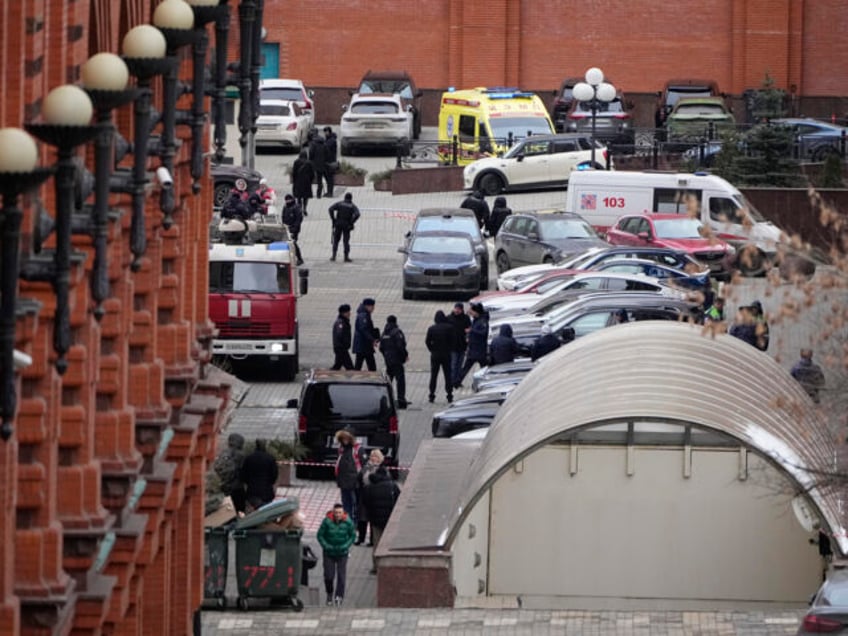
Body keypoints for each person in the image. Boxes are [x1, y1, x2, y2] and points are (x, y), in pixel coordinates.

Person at [360, 464, 401, 575]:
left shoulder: (370, 487)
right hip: (389, 520)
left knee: (377, 543)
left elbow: (365, 502)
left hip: (375, 521)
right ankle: (389, 565)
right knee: (389, 544)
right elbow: (399, 501)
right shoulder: (393, 486)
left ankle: (376, 567)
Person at [316, 503, 356, 607]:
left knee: (341, 576)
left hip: (342, 553)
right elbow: (320, 535)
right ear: (333, 512)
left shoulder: (348, 522)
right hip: (329, 553)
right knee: (329, 576)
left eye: (340, 513)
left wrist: (346, 546)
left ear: (343, 513)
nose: (338, 515)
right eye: (336, 512)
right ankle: (329, 593)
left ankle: (339, 596)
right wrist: (326, 546)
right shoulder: (327, 521)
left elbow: (353, 536)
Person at [425, 310, 456, 403]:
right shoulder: (450, 328)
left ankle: (431, 394)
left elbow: (427, 341)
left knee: (434, 375)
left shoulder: (432, 328)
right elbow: (453, 341)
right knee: (448, 375)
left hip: (435, 354)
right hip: (446, 354)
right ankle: (449, 394)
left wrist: (432, 349)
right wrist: (450, 349)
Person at [456, 302, 489, 387]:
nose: (471, 313)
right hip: (474, 348)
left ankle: (486, 381)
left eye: (472, 312)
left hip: (479, 349)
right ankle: (457, 381)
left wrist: (472, 331)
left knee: (482, 367)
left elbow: (483, 333)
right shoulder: (477, 319)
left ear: (476, 312)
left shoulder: (482, 321)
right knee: (468, 367)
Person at [379, 315, 409, 408]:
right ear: (395, 322)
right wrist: (404, 356)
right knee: (400, 380)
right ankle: (401, 400)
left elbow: (381, 348)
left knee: (388, 380)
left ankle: (384, 399)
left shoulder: (384, 333)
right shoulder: (397, 332)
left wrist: (386, 357)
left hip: (388, 361)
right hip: (397, 360)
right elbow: (400, 346)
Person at [334, 428, 363, 524]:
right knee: (346, 504)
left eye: (347, 438)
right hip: (343, 482)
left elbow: (363, 465)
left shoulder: (357, 449)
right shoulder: (341, 449)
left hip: (355, 483)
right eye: (343, 438)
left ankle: (353, 523)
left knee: (355, 504)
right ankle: (347, 522)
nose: (345, 440)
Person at [212, 432, 247, 513]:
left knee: (226, 511)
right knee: (240, 511)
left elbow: (216, 467)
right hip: (237, 487)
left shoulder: (223, 453)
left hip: (224, 487)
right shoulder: (241, 455)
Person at [356, 449, 384, 547]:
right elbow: (359, 477)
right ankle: (361, 538)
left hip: (374, 496)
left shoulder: (381, 469)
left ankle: (373, 540)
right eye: (372, 456)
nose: (373, 458)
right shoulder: (366, 467)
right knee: (362, 518)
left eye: (375, 456)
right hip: (364, 494)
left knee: (373, 519)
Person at [240, 438, 278, 509]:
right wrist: (270, 483)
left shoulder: (249, 458)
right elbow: (274, 475)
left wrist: (249, 483)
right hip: (267, 492)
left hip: (252, 491)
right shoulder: (270, 458)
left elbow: (243, 475)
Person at [328, 193, 360, 262]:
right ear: (351, 199)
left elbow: (330, 209)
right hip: (347, 225)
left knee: (336, 240)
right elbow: (357, 214)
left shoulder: (339, 203)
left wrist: (333, 219)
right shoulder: (352, 206)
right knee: (346, 241)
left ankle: (333, 256)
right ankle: (346, 257)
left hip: (338, 223)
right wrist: (352, 222)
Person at [446, 302, 471, 388]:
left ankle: (457, 381)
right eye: (455, 308)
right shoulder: (449, 318)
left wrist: (468, 333)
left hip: (462, 345)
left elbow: (469, 329)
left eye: (458, 309)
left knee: (459, 365)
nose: (456, 310)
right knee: (453, 365)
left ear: (461, 310)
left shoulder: (466, 318)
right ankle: (452, 381)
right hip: (452, 346)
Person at [352, 297, 378, 371]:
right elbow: (364, 329)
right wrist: (372, 339)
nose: (373, 309)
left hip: (364, 346)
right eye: (372, 307)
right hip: (363, 346)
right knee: (370, 366)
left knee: (360, 365)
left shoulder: (364, 314)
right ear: (367, 306)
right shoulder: (363, 315)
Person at [281, 194, 304, 266]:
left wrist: (294, 229)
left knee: (293, 244)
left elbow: (299, 219)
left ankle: (299, 258)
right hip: (287, 228)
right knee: (288, 243)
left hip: (294, 229)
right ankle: (290, 257)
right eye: (286, 200)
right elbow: (283, 216)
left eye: (289, 199)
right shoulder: (285, 207)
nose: (288, 201)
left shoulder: (296, 207)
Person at [291, 149, 314, 216]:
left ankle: (299, 209)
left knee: (299, 197)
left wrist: (294, 180)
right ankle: (305, 208)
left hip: (298, 182)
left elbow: (294, 172)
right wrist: (310, 180)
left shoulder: (296, 162)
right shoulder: (309, 163)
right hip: (307, 182)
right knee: (305, 197)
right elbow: (312, 173)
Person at [331, 304, 354, 370]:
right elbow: (339, 334)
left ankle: (331, 376)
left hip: (341, 348)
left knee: (337, 366)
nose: (349, 314)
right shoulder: (340, 322)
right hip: (341, 348)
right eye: (348, 312)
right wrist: (344, 343)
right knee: (350, 367)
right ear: (343, 313)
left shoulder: (343, 321)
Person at [309, 131, 328, 198]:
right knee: (320, 180)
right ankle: (318, 195)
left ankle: (309, 194)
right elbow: (327, 154)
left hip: (314, 164)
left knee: (310, 179)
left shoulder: (313, 145)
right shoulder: (324, 145)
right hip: (322, 165)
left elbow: (311, 154)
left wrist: (310, 160)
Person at [322, 126, 338, 198]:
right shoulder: (328, 139)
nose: (325, 133)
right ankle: (329, 192)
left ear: (329, 132)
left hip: (330, 162)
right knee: (328, 178)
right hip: (327, 162)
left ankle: (330, 192)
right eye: (324, 132)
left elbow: (326, 148)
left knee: (330, 178)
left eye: (326, 131)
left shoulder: (332, 140)